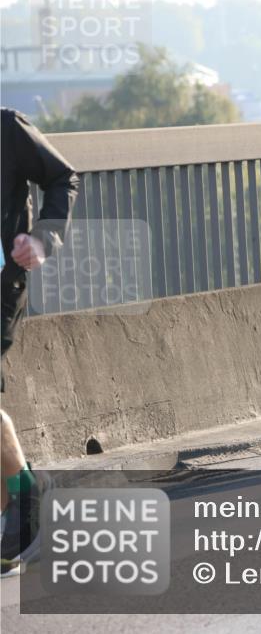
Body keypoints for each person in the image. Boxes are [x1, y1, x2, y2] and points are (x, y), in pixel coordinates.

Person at [1, 107, 79, 577]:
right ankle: (17, 511)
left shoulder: (7, 129)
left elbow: (62, 177)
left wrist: (44, 237)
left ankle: (27, 495)